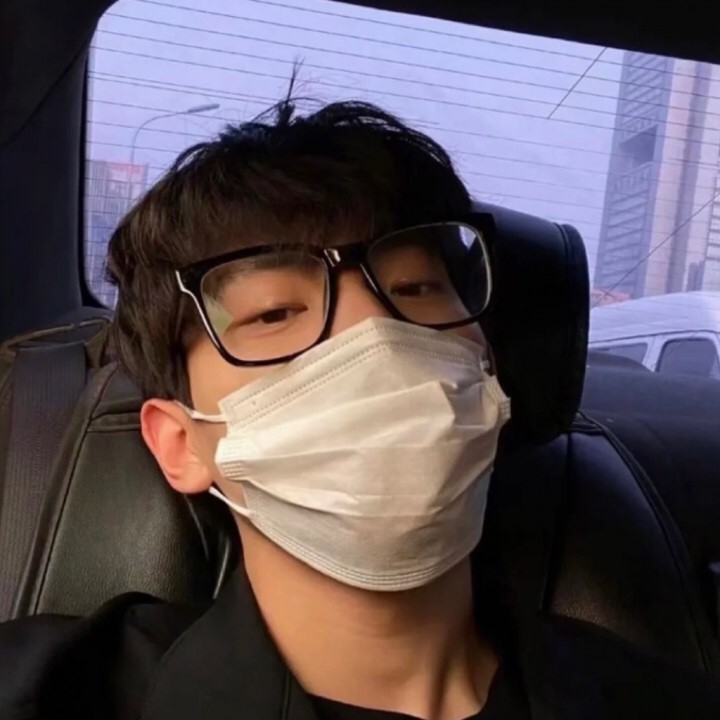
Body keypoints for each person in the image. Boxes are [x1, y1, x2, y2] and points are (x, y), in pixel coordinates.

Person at [1, 95, 719, 720]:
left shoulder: (662, 702)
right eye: (275, 312)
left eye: (415, 291)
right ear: (181, 444)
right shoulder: (53, 690)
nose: (374, 335)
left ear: (487, 370)